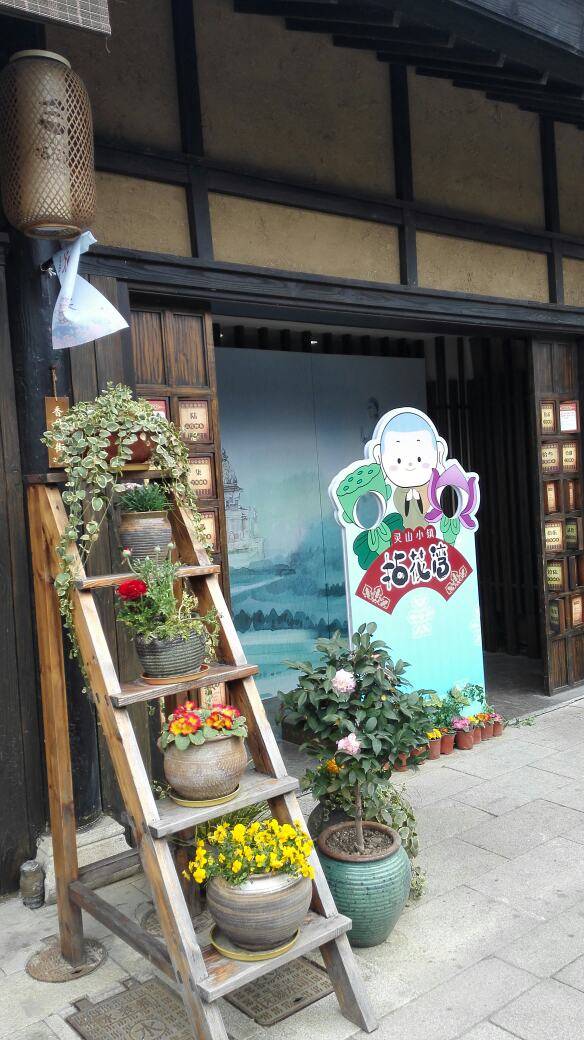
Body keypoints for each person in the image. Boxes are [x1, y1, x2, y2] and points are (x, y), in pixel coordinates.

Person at [373, 409, 446, 529]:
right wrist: (407, 498)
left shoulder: (428, 488)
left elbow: (427, 508)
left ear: (439, 451)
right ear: (378, 456)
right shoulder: (397, 492)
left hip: (426, 531)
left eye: (419, 459)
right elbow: (399, 508)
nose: (410, 464)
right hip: (404, 533)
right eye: (399, 460)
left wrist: (418, 497)